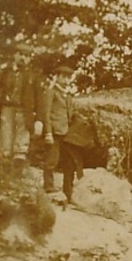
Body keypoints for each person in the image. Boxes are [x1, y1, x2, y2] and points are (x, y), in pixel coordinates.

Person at [37, 65, 85, 203]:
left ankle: (68, 192)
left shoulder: (68, 95)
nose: (65, 79)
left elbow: (70, 114)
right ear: (57, 76)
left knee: (69, 162)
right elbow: (46, 113)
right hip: (55, 131)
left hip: (66, 133)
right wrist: (48, 133)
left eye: (67, 77)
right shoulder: (51, 92)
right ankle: (48, 187)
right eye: (62, 76)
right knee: (51, 160)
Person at [0, 52, 38, 177]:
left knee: (21, 146)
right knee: (6, 143)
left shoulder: (31, 76)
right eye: (21, 54)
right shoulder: (4, 73)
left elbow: (40, 98)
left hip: (24, 112)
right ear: (14, 55)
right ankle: (5, 178)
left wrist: (39, 119)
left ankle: (17, 179)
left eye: (27, 56)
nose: (24, 58)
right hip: (7, 110)